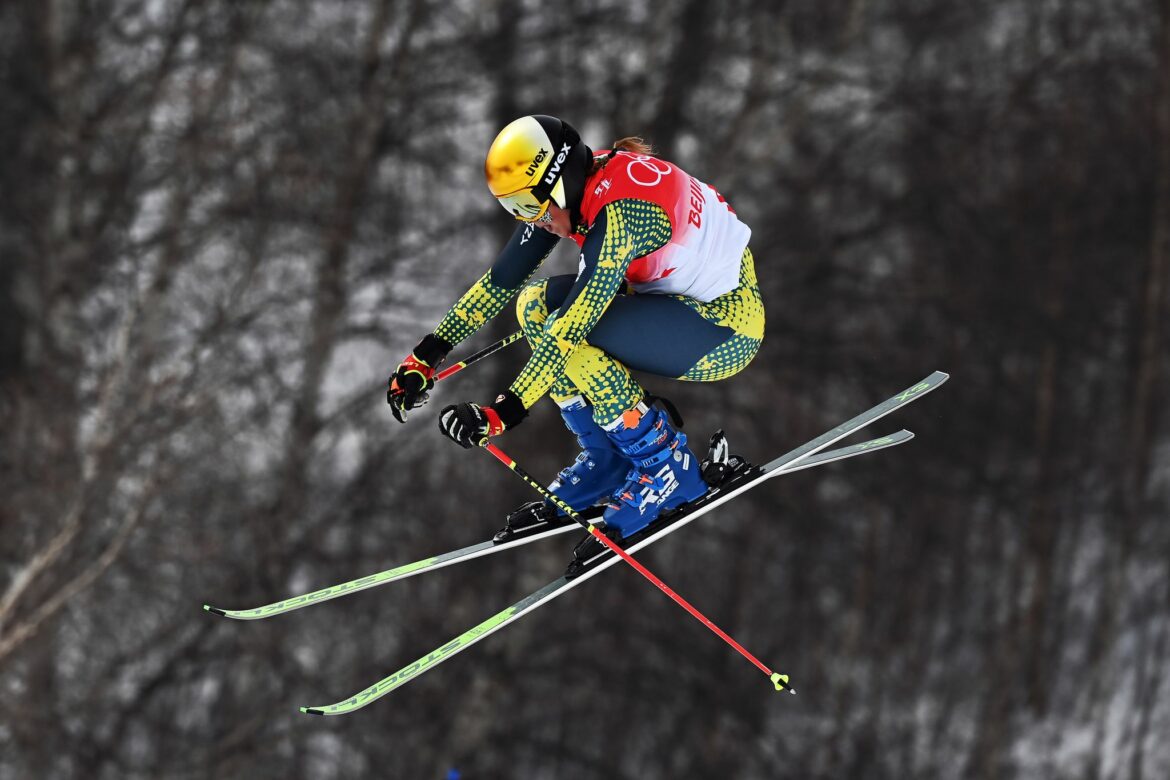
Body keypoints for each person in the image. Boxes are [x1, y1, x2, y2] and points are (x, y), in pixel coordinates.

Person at [388, 115, 765, 544]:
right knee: (534, 304)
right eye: (514, 209)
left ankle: (666, 466)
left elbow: (570, 329)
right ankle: (609, 459)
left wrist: (502, 413)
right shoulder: (581, 186)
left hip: (725, 329)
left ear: (559, 182)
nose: (530, 220)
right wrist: (426, 354)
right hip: (678, 307)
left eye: (529, 206)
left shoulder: (621, 216)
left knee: (567, 331)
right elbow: (501, 282)